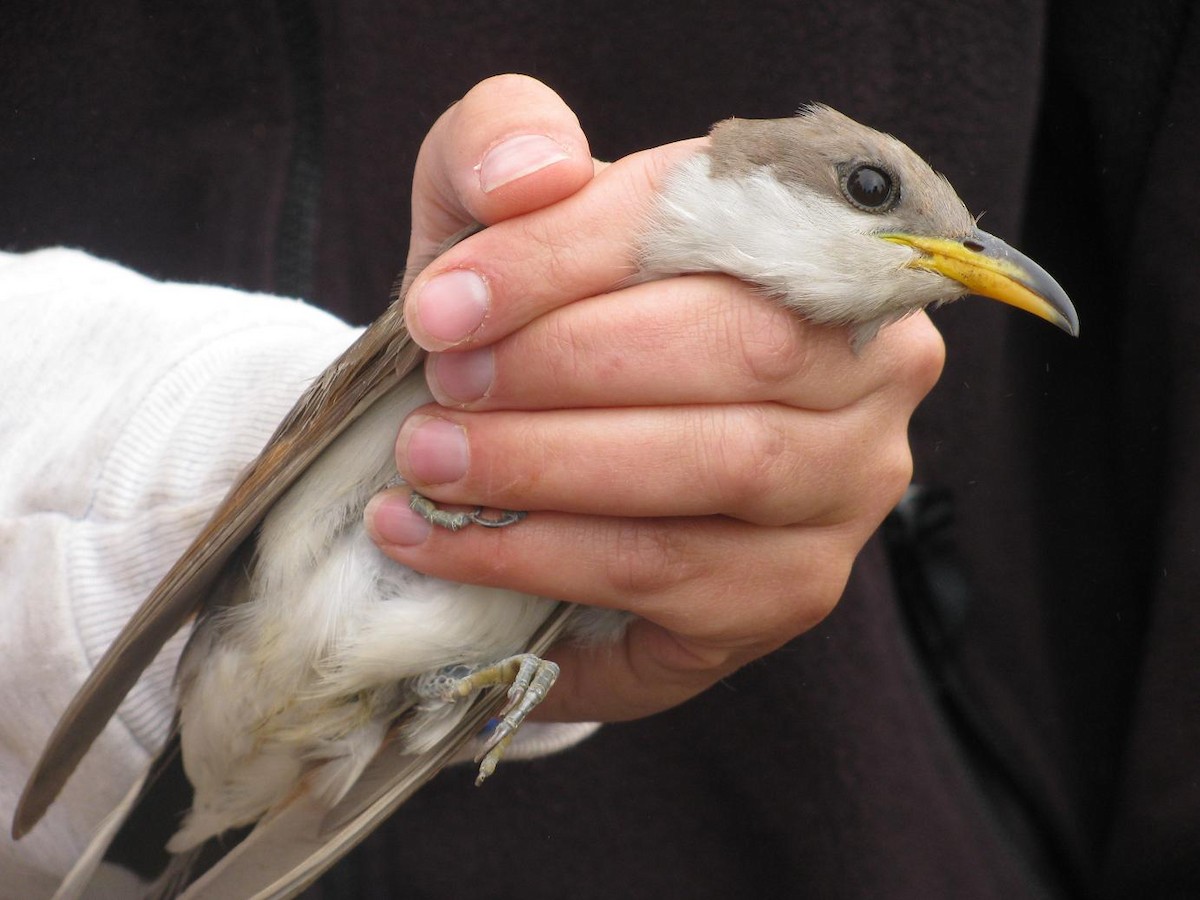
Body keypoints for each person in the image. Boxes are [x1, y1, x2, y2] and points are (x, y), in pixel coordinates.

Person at [1, 2, 1196, 897]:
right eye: (878, 193)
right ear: (753, 173)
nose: (949, 250)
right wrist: (156, 457)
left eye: (958, 246)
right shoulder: (548, 244)